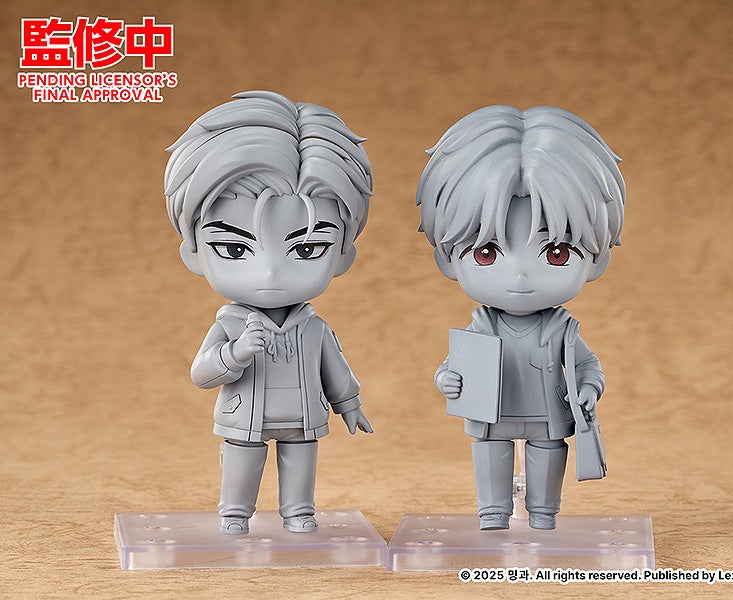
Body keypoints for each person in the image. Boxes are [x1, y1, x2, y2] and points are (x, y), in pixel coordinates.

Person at [165, 91, 373, 534]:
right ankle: (234, 513)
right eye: (234, 248)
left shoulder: (314, 327)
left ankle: (298, 511)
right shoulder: (229, 325)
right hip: (245, 416)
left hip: (303, 415)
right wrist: (235, 353)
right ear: (194, 252)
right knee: (241, 463)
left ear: (342, 255)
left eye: (308, 249)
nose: (271, 272)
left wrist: (349, 404)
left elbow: (334, 369)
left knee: (300, 464)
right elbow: (202, 374)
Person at [416, 105, 625, 530]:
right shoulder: (483, 324)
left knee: (547, 456)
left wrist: (589, 388)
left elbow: (587, 365)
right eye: (487, 252)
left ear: (598, 259)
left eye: (556, 252)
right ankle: (493, 511)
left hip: (549, 414)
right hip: (492, 413)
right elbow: (455, 364)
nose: (520, 276)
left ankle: (543, 513)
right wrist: (446, 379)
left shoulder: (562, 327)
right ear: (447, 260)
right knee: (490, 454)